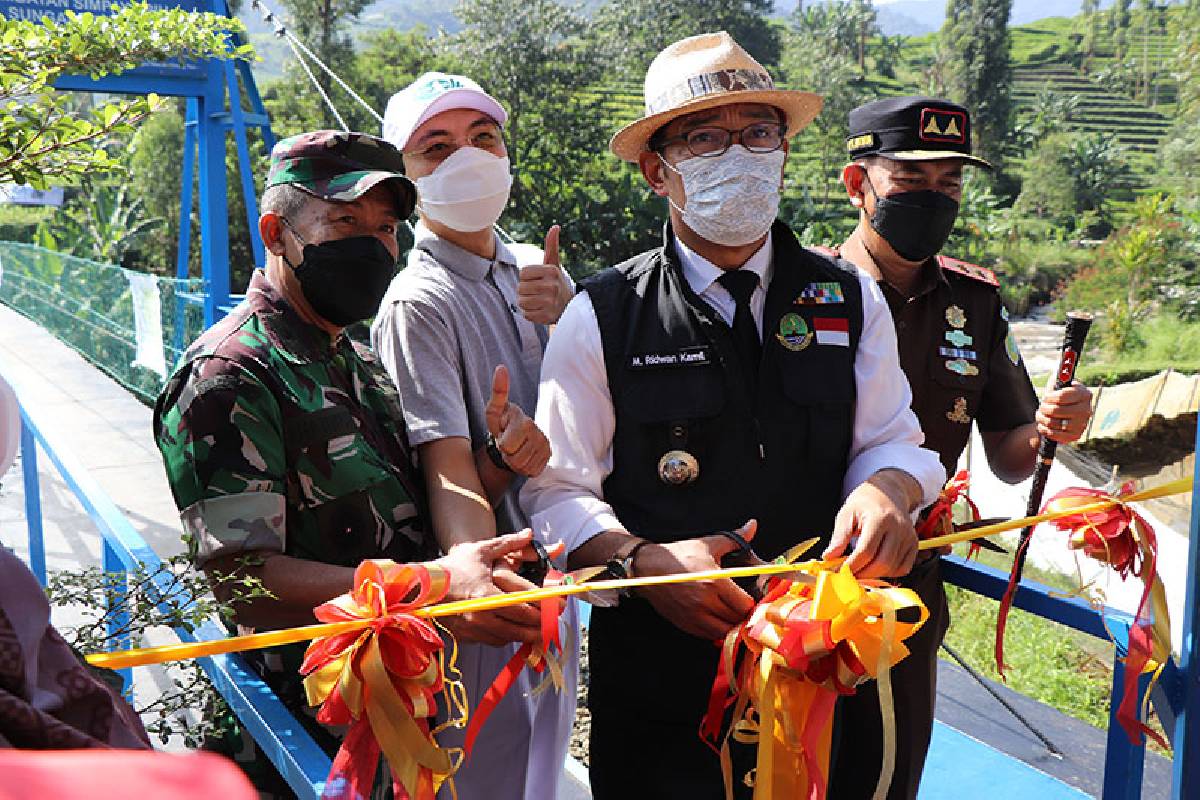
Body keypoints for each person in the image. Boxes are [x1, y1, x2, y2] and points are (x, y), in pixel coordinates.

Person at [520, 32, 946, 799]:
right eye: (707, 138)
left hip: (823, 668)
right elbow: (555, 492)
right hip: (662, 687)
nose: (740, 154)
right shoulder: (603, 315)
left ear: (784, 152)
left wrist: (888, 489)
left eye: (759, 133)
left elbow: (895, 441)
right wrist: (642, 564)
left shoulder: (849, 299)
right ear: (658, 170)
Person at [153, 130, 549, 797]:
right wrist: (433, 583)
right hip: (296, 740)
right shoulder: (231, 376)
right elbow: (241, 578)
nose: (373, 245)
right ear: (276, 233)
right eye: (344, 221)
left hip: (394, 718)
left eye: (387, 226)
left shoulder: (357, 362)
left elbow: (402, 510)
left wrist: (502, 461)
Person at [826, 96, 1095, 799]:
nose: (934, 198)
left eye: (949, 184)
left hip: (910, 589)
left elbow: (1009, 448)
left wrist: (1052, 429)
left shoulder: (973, 303)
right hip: (806, 577)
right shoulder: (806, 292)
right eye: (912, 182)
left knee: (886, 776)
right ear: (859, 185)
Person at [372, 73, 576, 800]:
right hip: (489, 600)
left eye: (483, 138)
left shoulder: (535, 271)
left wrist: (574, 316)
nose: (468, 157)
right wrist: (475, 579)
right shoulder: (419, 301)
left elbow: (588, 418)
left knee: (539, 767)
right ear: (406, 178)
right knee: (483, 773)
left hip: (555, 579)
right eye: (437, 146)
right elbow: (446, 465)